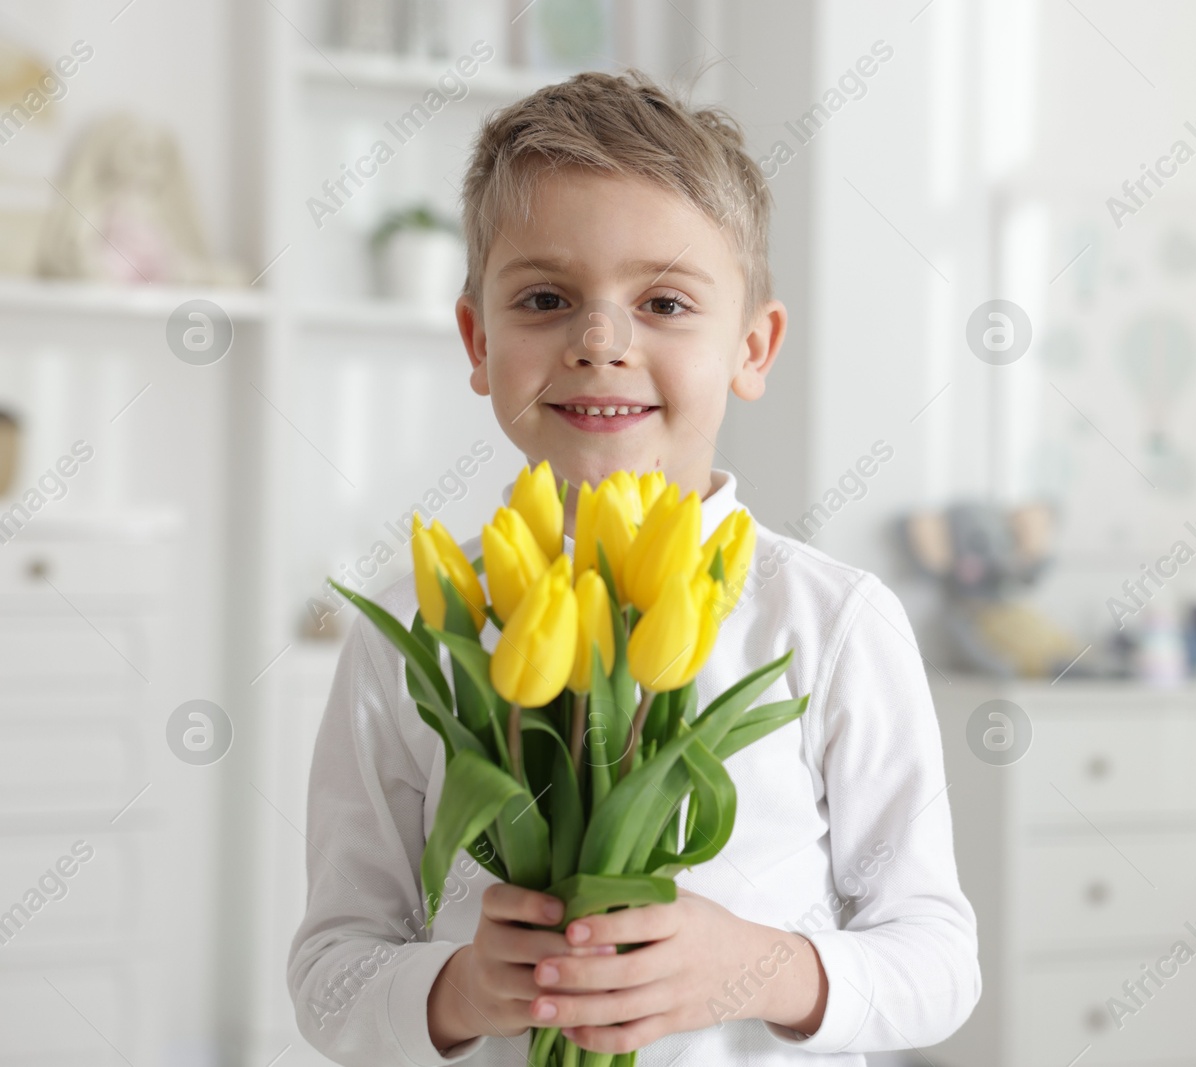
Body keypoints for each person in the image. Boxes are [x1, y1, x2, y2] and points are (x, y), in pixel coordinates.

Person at [286, 68, 980, 1066]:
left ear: (752, 345)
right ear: (478, 340)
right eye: (543, 298)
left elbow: (938, 959)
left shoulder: (831, 623)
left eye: (661, 300)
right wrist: (459, 987)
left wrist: (761, 965)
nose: (600, 341)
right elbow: (329, 970)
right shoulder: (416, 629)